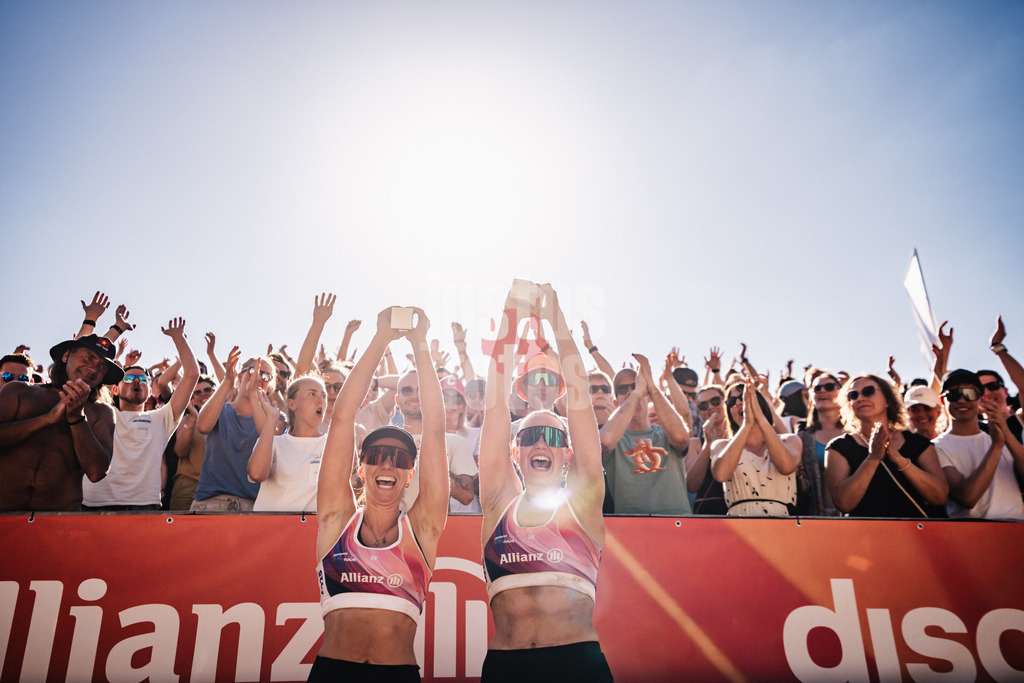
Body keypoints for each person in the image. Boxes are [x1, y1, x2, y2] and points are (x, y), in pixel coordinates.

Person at [479, 281, 613, 682]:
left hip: (577, 665)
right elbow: (494, 399)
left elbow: (579, 393)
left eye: (553, 436)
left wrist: (556, 317)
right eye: (530, 436)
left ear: (567, 453)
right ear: (515, 451)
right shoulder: (498, 501)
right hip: (507, 666)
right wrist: (511, 315)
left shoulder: (583, 502)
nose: (541, 443)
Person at [311, 306, 446, 681]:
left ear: (410, 474)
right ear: (361, 467)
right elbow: (342, 417)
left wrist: (420, 345)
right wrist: (380, 337)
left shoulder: (423, 529)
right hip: (333, 673)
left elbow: (435, 429)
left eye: (399, 458)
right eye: (376, 455)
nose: (387, 464)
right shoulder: (336, 520)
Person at [83, 318, 199, 510]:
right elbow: (90, 365)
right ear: (114, 390)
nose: (136, 381)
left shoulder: (161, 418)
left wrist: (178, 337)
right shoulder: (101, 412)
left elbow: (192, 375)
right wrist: (117, 329)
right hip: (95, 504)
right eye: (128, 378)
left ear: (150, 391)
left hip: (143, 506)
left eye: (143, 379)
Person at [0, 334, 122, 511]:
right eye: (89, 357)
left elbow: (97, 472)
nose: (93, 368)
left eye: (102, 366)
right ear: (66, 356)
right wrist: (46, 419)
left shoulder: (102, 412)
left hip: (61, 519)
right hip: (4, 514)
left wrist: (77, 417)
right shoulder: (18, 391)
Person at [825, 374, 948, 518]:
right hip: (864, 532)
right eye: (853, 395)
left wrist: (899, 459)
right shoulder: (838, 447)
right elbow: (843, 503)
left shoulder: (918, 443)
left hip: (916, 530)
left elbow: (939, 496)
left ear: (888, 400)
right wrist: (873, 458)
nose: (860, 398)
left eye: (868, 391)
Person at [600, 357, 691, 515]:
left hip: (677, 521)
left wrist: (653, 388)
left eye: (635, 385)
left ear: (647, 395)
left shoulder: (665, 433)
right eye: (622, 389)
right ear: (615, 402)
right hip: (633, 524)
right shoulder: (615, 439)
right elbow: (604, 442)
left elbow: (681, 438)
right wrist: (636, 394)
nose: (629, 391)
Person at [191, 350, 276, 511]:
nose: (258, 377)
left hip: (254, 507)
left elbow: (269, 440)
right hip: (211, 502)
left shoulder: (274, 418)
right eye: (254, 370)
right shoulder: (219, 410)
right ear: (239, 375)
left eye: (266, 376)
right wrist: (227, 381)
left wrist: (253, 394)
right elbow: (202, 426)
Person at [933, 369, 1024, 519]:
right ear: (942, 401)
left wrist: (1005, 433)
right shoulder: (936, 447)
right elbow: (967, 498)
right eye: (954, 395)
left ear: (980, 398)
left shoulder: (1001, 437)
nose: (962, 401)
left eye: (970, 394)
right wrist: (996, 446)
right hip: (973, 530)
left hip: (1016, 526)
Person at [711, 377, 800, 517]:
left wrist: (760, 418)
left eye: (743, 397)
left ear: (760, 403)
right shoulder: (721, 445)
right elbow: (721, 474)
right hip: (739, 521)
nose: (739, 403)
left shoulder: (789, 440)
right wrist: (747, 425)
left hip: (781, 521)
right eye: (732, 402)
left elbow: (786, 467)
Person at [394, 368, 478, 513]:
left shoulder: (453, 442)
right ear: (397, 400)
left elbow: (466, 496)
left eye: (421, 391)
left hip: (436, 526)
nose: (415, 396)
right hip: (394, 526)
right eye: (407, 391)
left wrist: (429, 459)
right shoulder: (386, 441)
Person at [248, 375, 328, 512]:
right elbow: (256, 475)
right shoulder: (273, 442)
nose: (320, 400)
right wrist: (271, 420)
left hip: (311, 524)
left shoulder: (331, 446)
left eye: (323, 396)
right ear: (292, 404)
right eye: (312, 394)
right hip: (270, 523)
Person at [794, 373, 845, 515]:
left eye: (829, 387)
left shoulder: (855, 434)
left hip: (854, 516)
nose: (822, 391)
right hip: (815, 515)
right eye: (817, 388)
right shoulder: (802, 437)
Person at [168, 375, 217, 510]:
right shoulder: (187, 419)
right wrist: (193, 421)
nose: (203, 394)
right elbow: (180, 451)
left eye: (207, 390)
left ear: (215, 393)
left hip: (216, 486)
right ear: (193, 400)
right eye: (197, 392)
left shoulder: (225, 417)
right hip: (188, 485)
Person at [686, 384, 728, 515]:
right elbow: (692, 486)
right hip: (708, 512)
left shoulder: (742, 437)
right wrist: (708, 444)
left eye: (715, 401)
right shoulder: (696, 444)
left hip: (742, 512)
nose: (710, 407)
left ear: (725, 401)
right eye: (703, 405)